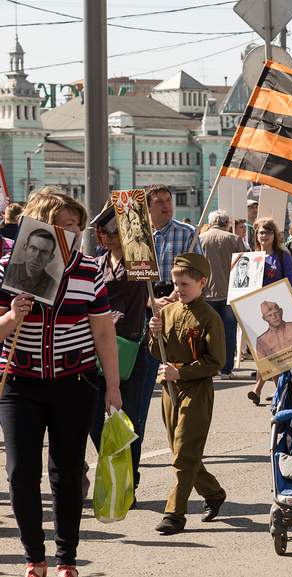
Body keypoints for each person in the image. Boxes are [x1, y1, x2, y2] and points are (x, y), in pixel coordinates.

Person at [0, 188, 121, 577]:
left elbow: (103, 334)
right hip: (19, 382)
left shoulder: (88, 270)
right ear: (38, 226)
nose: (72, 232)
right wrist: (12, 316)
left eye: (76, 225)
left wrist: (113, 388)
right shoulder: (8, 267)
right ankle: (34, 557)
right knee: (20, 471)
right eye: (63, 225)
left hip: (75, 381)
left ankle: (67, 559)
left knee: (67, 472)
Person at [148, 253, 227, 535]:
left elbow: (216, 361)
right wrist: (153, 333)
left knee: (184, 454)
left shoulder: (210, 317)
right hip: (170, 389)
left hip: (196, 388)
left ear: (202, 283)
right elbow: (159, 352)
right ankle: (214, 493)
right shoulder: (167, 312)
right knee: (182, 451)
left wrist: (181, 373)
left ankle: (175, 514)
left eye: (184, 284)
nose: (178, 289)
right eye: (175, 283)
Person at [139, 184, 203, 489]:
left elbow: (201, 277)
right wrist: (151, 301)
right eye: (160, 202)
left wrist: (176, 299)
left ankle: (187, 460)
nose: (167, 206)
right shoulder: (138, 238)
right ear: (148, 209)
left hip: (179, 321)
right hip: (147, 320)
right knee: (141, 396)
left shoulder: (187, 234)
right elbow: (129, 280)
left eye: (169, 201)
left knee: (181, 398)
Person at [88, 202, 149, 503]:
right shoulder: (97, 263)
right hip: (98, 347)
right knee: (94, 419)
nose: (105, 236)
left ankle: (128, 483)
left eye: (112, 230)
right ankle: (116, 468)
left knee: (128, 419)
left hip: (131, 347)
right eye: (100, 230)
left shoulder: (138, 260)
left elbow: (148, 293)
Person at [247, 217, 292, 405]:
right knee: (266, 350)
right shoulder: (251, 257)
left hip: (277, 312)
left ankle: (259, 389)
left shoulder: (283, 256)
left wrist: (275, 293)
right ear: (256, 235)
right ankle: (278, 393)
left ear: (275, 235)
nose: (265, 235)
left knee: (271, 350)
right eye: (261, 232)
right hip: (256, 311)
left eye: (269, 232)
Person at [200, 210, 246, 380]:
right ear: (227, 224)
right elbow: (245, 265)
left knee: (208, 334)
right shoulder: (234, 240)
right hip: (230, 293)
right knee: (229, 332)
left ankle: (209, 367)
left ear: (210, 222)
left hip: (206, 293)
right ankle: (226, 370)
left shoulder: (201, 239)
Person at [4, 229, 60, 298]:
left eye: (44, 252)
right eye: (33, 249)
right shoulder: (6, 270)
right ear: (25, 248)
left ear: (51, 257)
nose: (37, 257)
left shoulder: (54, 287)